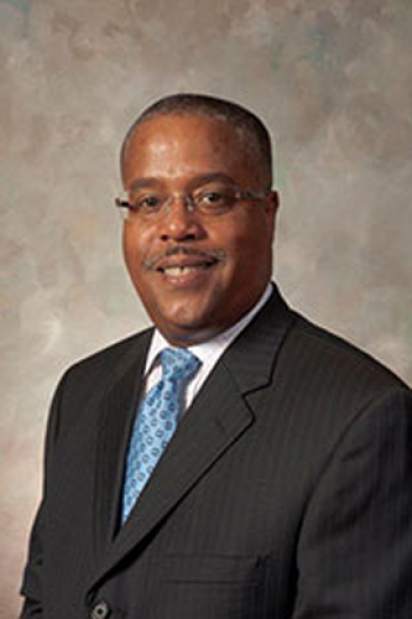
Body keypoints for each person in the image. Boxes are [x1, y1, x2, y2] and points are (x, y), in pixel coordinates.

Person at [20, 93, 412, 619]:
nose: (176, 227)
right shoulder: (83, 391)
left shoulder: (363, 417)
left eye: (210, 198)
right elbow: (45, 599)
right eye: (149, 202)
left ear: (269, 212)